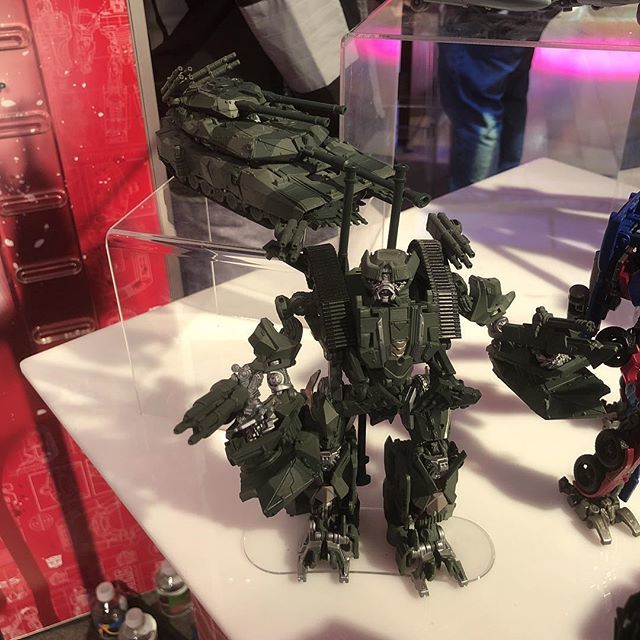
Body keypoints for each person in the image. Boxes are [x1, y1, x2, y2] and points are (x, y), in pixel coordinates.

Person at [437, 6, 559, 190]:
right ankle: (498, 192)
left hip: (482, 12)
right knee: (509, 102)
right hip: (528, 11)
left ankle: (474, 200)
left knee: (478, 114)